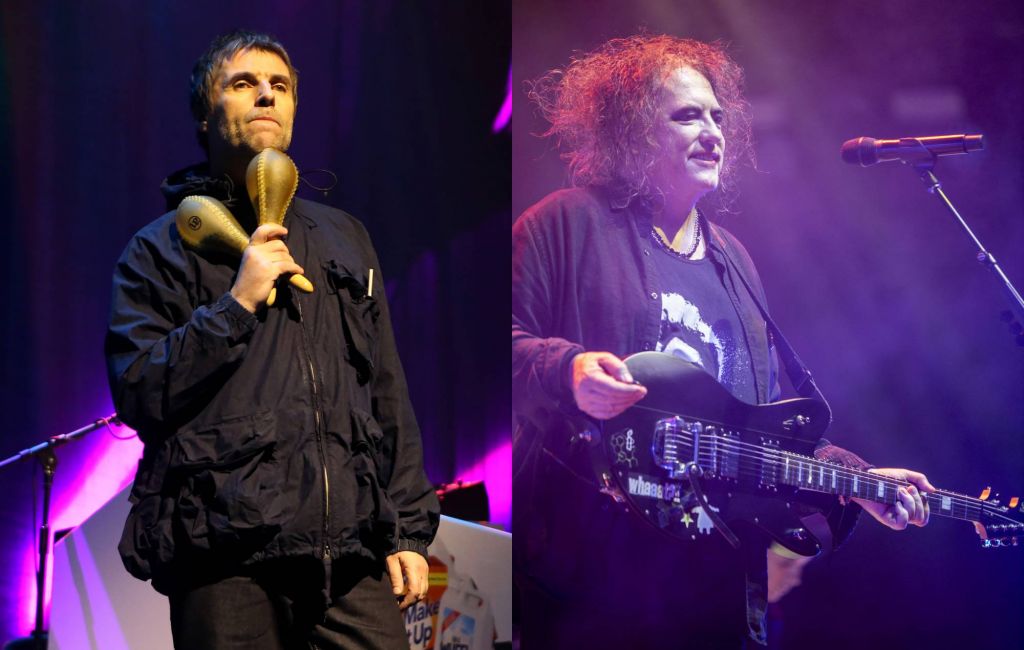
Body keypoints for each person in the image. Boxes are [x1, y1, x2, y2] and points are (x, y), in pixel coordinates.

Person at [512, 35, 935, 648]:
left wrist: (859, 480)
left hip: (707, 589)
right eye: (687, 116)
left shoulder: (733, 263)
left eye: (717, 115)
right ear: (631, 133)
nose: (713, 131)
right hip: (590, 581)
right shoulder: (567, 223)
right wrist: (569, 370)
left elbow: (755, 439)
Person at [105, 30, 439, 650]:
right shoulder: (157, 249)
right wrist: (236, 305)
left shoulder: (344, 237)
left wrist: (410, 533)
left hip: (349, 553)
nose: (265, 95)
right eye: (242, 84)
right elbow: (139, 390)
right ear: (205, 116)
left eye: (279, 87)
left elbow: (387, 388)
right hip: (225, 552)